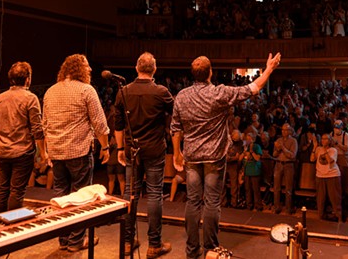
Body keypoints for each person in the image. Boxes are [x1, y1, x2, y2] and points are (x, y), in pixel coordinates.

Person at [171, 52, 281, 259]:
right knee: (212, 202)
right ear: (210, 73)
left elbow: (175, 128)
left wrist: (177, 153)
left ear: (193, 75)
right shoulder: (219, 93)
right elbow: (253, 88)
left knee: (193, 202)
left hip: (192, 157)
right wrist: (269, 69)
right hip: (214, 157)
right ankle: (210, 249)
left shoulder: (182, 96)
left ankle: (192, 252)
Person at [43, 54, 110, 253]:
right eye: (87, 66)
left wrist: (47, 150)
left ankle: (63, 240)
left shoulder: (50, 91)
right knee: (80, 197)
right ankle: (76, 242)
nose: (90, 70)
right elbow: (99, 123)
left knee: (60, 196)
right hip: (78, 151)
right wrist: (105, 147)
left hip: (56, 151)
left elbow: (45, 124)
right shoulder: (86, 90)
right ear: (79, 69)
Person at [114, 51, 174, 259]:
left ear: (136, 68)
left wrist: (120, 149)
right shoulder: (161, 91)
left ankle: (128, 243)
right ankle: (154, 244)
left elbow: (118, 124)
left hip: (132, 150)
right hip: (155, 149)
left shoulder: (124, 92)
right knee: (155, 195)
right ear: (154, 69)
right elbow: (175, 115)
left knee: (130, 194)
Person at [0, 62, 46, 213]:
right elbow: (37, 129)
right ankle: (12, 225)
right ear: (28, 79)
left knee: (3, 188)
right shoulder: (30, 98)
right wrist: (43, 152)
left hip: (3, 151)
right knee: (17, 191)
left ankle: (0, 221)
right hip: (23, 151)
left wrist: (3, 142)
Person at [311, 133, 342, 221]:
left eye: (326, 139)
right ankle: (321, 216)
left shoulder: (333, 150)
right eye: (322, 139)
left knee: (335, 198)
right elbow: (312, 159)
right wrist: (314, 147)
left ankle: (338, 216)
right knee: (320, 198)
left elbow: (331, 162)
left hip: (332, 175)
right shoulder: (318, 149)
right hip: (320, 176)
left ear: (330, 141)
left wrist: (324, 150)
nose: (323, 141)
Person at [273, 122, 298, 214]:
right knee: (276, 188)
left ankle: (288, 208)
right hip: (278, 164)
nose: (284, 131)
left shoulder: (293, 141)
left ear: (290, 131)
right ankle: (277, 207)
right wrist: (277, 149)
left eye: (286, 130)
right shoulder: (278, 140)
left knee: (288, 189)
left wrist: (282, 148)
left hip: (289, 165)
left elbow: (292, 155)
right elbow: (274, 154)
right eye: (282, 130)